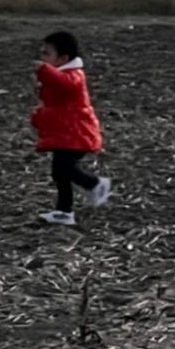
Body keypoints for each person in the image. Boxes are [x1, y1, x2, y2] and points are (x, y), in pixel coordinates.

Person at [33, 29, 113, 226]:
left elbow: (65, 85)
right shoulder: (60, 77)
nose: (42, 58)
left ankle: (95, 184)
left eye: (47, 54)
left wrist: (44, 71)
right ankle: (64, 211)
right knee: (60, 172)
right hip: (66, 135)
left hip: (77, 134)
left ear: (63, 58)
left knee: (65, 167)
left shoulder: (74, 76)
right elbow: (55, 106)